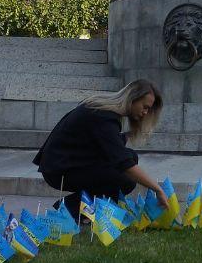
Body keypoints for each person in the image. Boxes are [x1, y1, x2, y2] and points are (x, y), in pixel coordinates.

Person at [34, 79, 169, 219]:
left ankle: (81, 208)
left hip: (65, 164)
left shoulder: (103, 112)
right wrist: (157, 189)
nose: (145, 113)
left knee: (130, 156)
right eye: (145, 107)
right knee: (125, 179)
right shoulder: (104, 117)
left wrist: (124, 137)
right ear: (132, 99)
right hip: (59, 171)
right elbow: (124, 163)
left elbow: (102, 144)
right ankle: (69, 208)